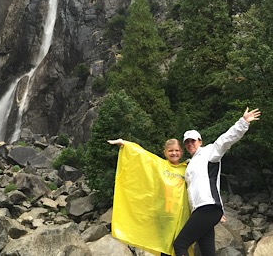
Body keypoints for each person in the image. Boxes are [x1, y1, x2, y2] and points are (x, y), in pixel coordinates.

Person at [172, 107, 261, 256]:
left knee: (180, 245)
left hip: (207, 208)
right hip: (201, 211)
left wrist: (243, 122)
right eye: (187, 142)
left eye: (193, 141)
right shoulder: (189, 165)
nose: (190, 144)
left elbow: (225, 140)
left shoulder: (209, 152)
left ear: (200, 141)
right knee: (208, 253)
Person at [107, 138, 194, 256]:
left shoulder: (187, 168)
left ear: (182, 152)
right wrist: (125, 144)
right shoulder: (159, 165)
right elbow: (142, 155)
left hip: (182, 216)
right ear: (165, 152)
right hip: (164, 216)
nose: (174, 153)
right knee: (165, 247)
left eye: (177, 150)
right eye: (171, 151)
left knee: (180, 246)